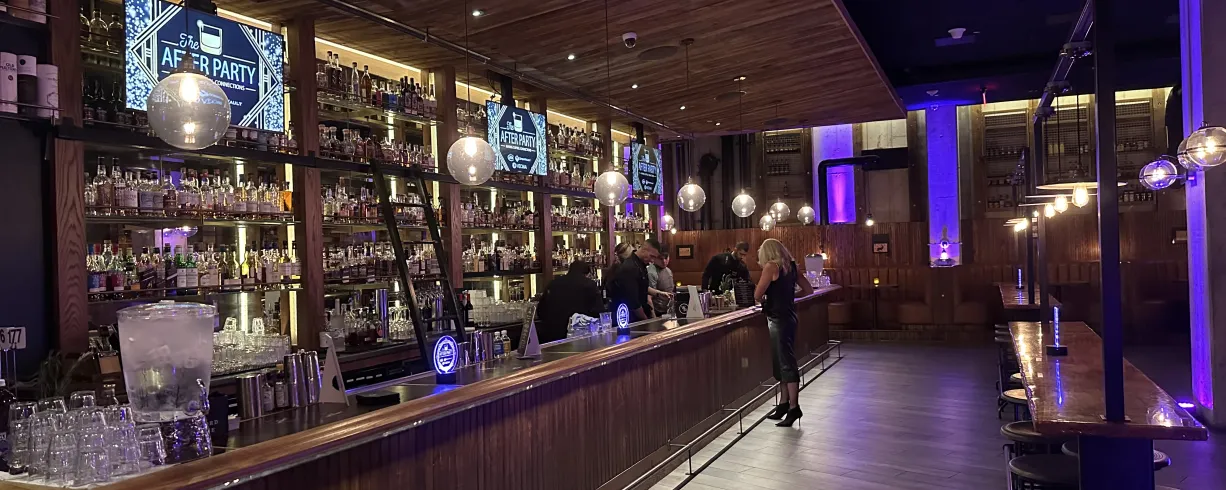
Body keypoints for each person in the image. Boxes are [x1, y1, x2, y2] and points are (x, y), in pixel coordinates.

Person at [754, 238, 813, 427]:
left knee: (786, 364)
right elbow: (808, 290)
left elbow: (757, 294)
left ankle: (794, 408)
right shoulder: (792, 267)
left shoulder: (771, 267)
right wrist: (789, 297)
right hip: (790, 316)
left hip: (777, 319)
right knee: (782, 362)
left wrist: (770, 298)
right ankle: (783, 404)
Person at [537, 261, 605, 343]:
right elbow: (599, 312)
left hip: (552, 335)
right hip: (577, 336)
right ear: (586, 274)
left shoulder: (553, 283)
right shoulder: (589, 285)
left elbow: (540, 311)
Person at [608, 238, 661, 323]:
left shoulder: (640, 264)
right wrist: (646, 320)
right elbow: (633, 302)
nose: (652, 260)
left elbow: (641, 286)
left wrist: (659, 293)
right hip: (629, 319)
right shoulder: (630, 268)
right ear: (644, 249)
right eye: (652, 256)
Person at [647, 252, 675, 317]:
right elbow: (648, 298)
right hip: (657, 313)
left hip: (669, 311)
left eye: (666, 258)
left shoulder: (668, 270)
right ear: (655, 258)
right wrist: (653, 317)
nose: (664, 261)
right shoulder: (651, 272)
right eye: (660, 258)